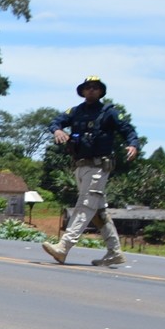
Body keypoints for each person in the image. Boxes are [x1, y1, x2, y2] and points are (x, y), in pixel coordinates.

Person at [42, 76, 139, 267]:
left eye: (95, 87)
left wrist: (133, 144)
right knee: (98, 212)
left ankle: (63, 247)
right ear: (82, 91)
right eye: (88, 87)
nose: (91, 90)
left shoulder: (109, 113)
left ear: (101, 91)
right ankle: (114, 252)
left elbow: (128, 129)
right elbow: (55, 122)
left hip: (98, 167)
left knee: (85, 205)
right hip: (80, 166)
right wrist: (57, 130)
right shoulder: (75, 111)